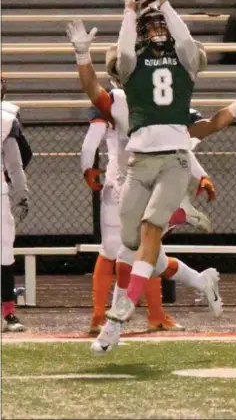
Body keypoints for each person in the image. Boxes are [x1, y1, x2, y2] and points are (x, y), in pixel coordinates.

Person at [66, 0, 236, 352]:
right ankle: (196, 268)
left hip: (172, 160)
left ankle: (118, 315)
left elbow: (198, 129)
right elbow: (102, 79)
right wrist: (84, 52)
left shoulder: (180, 69)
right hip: (134, 170)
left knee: (142, 239)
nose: (157, 33)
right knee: (133, 244)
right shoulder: (124, 86)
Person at [81, 101, 213, 334]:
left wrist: (86, 165)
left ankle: (122, 316)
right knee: (127, 251)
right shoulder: (122, 99)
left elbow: (179, 147)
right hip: (128, 184)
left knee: (135, 252)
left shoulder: (143, 99)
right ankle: (112, 315)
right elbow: (93, 137)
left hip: (137, 185)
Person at [1, 78, 29, 332]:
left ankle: (8, 311)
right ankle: (8, 313)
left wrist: (20, 192)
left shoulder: (5, 119)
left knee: (4, 254)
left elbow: (16, 161)